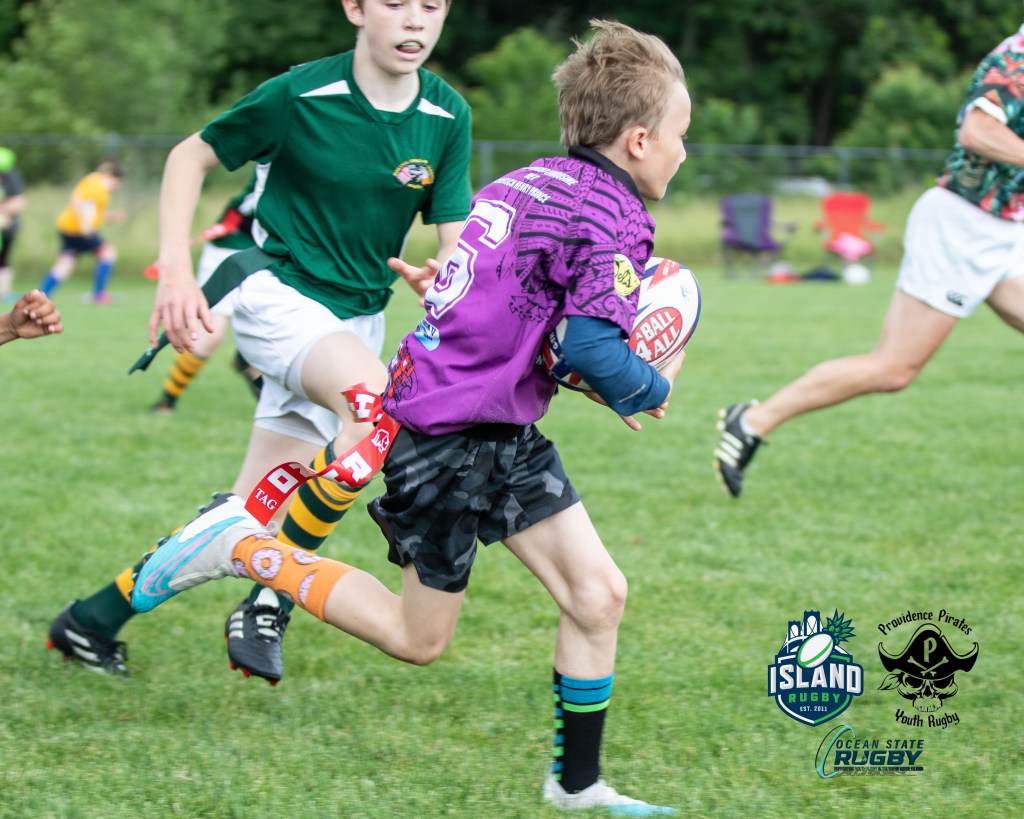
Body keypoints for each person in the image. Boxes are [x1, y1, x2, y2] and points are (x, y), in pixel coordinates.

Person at [128, 18, 688, 815]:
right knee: (416, 637)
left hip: (495, 425)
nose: (683, 152)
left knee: (598, 593)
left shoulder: (529, 181)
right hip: (449, 439)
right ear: (637, 140)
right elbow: (592, 347)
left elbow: (521, 313)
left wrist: (589, 365)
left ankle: (577, 784)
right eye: (679, 135)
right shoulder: (614, 216)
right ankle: (244, 546)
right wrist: (647, 385)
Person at [47, 0, 471, 684]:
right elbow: (189, 157)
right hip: (276, 295)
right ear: (356, 8)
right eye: (396, 2)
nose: (415, 20)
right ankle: (270, 602)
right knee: (375, 412)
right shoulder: (301, 93)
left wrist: (442, 278)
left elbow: (455, 238)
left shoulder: (447, 114)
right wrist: (175, 269)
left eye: (432, 5)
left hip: (357, 319)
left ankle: (91, 620)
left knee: (249, 518)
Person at [714, 23, 1024, 498]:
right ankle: (753, 420)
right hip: (963, 227)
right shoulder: (1017, 58)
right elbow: (978, 130)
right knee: (893, 369)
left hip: (1003, 230)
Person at [149, 170, 264, 414]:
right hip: (231, 249)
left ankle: (247, 362)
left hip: (272, 255)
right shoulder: (276, 167)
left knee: (274, 333)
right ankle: (166, 401)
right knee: (209, 336)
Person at [39, 159, 125, 304]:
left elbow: (94, 211)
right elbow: (77, 199)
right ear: (115, 177)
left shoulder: (101, 188)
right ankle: (99, 295)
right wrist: (84, 223)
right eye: (118, 183)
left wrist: (111, 216)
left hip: (68, 228)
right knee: (108, 253)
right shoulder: (96, 183)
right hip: (79, 230)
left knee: (65, 264)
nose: (117, 187)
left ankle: (41, 295)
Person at [0, 146, 27, 302]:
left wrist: (4, 211)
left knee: (4, 258)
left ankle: (3, 292)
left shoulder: (11, 177)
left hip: (6, 227)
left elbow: (19, 202)